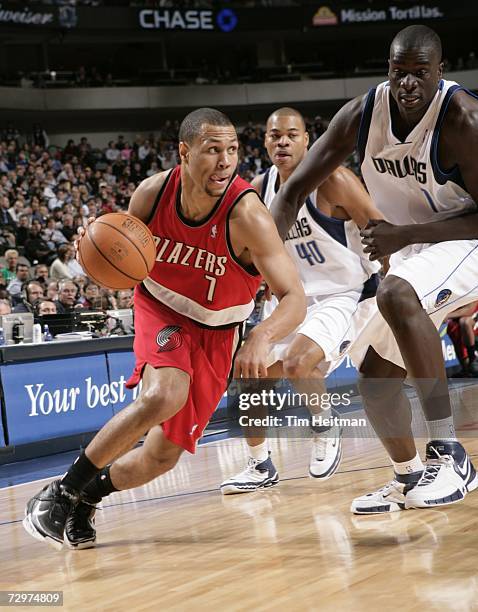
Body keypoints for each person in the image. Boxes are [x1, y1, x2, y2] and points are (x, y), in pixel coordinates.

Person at [23, 107, 306, 550]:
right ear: (184, 152)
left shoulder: (247, 214)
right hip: (162, 309)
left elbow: (294, 297)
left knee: (161, 457)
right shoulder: (153, 194)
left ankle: (86, 498)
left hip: (219, 330)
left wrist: (262, 335)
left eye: (232, 150)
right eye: (213, 150)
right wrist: (92, 249)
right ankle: (60, 493)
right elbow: (119, 254)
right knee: (164, 393)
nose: (226, 161)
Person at [271, 25, 478, 513]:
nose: (407, 84)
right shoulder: (364, 113)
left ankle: (451, 456)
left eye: (419, 73)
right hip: (414, 252)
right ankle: (407, 477)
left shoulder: (463, 119)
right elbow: (292, 191)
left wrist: (403, 235)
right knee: (375, 376)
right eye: (398, 72)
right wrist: (259, 260)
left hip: (464, 239)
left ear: (440, 72)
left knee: (396, 291)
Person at [220, 107, 382, 493]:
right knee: (249, 375)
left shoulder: (334, 181)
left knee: (297, 363)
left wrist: (400, 284)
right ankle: (259, 465)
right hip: (291, 297)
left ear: (307, 140)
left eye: (292, 134)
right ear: (265, 143)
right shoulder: (259, 190)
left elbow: (379, 227)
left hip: (344, 293)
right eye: (275, 135)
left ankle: (326, 426)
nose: (283, 142)